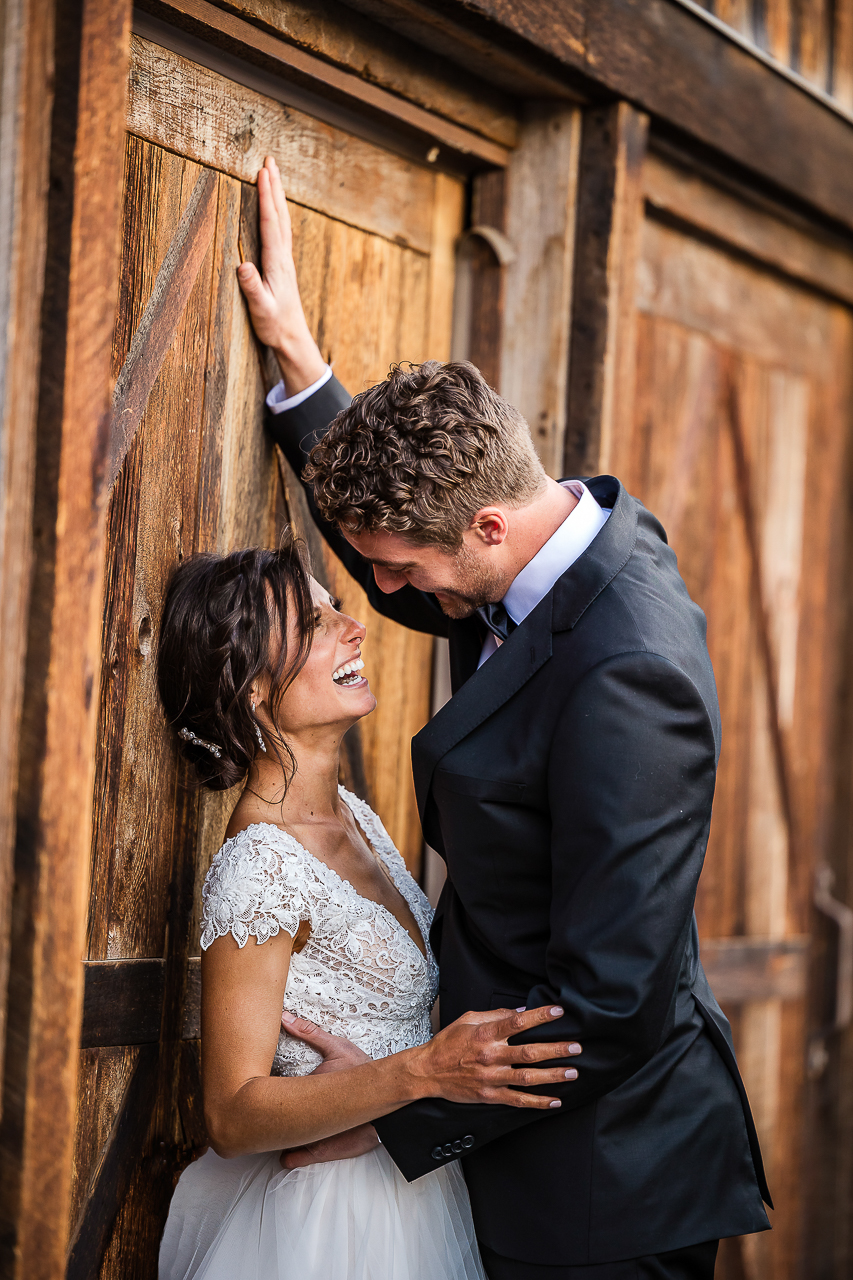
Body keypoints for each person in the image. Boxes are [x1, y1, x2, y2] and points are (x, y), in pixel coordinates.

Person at [232, 156, 774, 1280]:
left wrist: (385, 1123)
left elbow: (609, 1005)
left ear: (483, 526)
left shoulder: (629, 671)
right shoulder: (549, 543)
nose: (392, 599)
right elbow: (410, 551)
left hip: (600, 1192)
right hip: (523, 1152)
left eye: (405, 572)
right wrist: (301, 371)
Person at [156, 543, 579, 1280]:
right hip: (332, 1224)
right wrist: (417, 1075)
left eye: (336, 608)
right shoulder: (260, 865)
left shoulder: (354, 817)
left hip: (408, 1184)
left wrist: (402, 1104)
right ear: (252, 686)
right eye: (314, 622)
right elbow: (230, 1116)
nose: (351, 626)